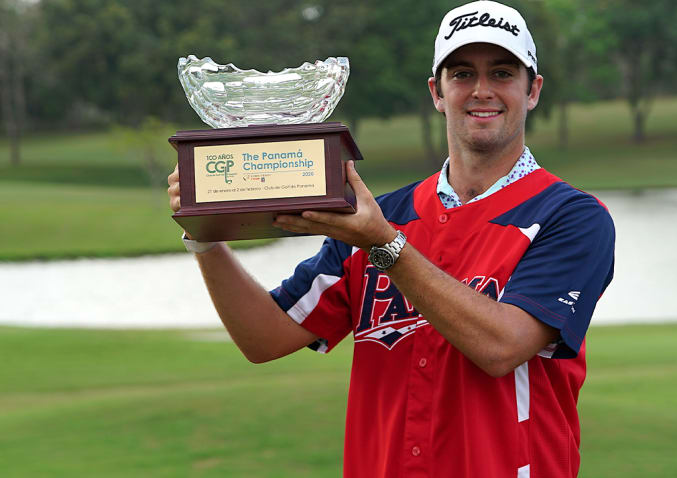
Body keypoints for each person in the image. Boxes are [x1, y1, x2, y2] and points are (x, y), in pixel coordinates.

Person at [167, 2, 614, 477]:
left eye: (502, 72)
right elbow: (263, 338)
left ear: (533, 90)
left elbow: (501, 347)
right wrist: (205, 237)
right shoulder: (380, 217)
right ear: (437, 92)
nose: (482, 90)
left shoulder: (571, 217)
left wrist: (384, 245)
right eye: (462, 74)